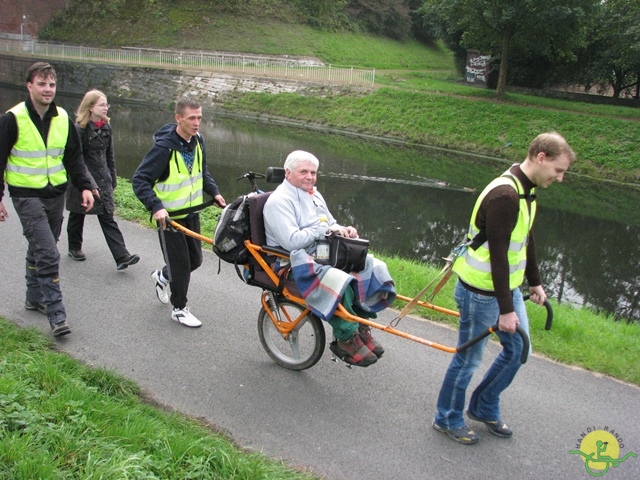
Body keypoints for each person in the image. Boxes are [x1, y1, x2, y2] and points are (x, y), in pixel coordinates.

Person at [432, 132, 576, 444]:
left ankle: (483, 406)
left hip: (504, 289)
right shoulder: (505, 196)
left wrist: (534, 281)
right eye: (558, 170)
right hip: (479, 293)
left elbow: (525, 238)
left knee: (518, 351)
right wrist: (507, 311)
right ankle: (446, 417)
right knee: (468, 359)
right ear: (541, 158)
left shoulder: (526, 190)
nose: (560, 178)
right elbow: (498, 255)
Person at [264, 150, 394, 367]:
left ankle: (360, 324)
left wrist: (343, 230)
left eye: (313, 173)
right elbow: (292, 242)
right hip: (290, 260)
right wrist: (320, 230)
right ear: (288, 173)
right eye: (303, 172)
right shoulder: (279, 201)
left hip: (320, 251)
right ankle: (346, 337)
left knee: (369, 264)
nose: (309, 177)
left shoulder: (313, 194)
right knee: (338, 279)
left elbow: (329, 222)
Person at [0, 61, 96, 337]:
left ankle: (34, 298)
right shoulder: (12, 119)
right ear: (29, 86)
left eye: (51, 84)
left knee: (42, 247)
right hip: (25, 195)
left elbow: (74, 158)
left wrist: (86, 186)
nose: (47, 89)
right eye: (41, 84)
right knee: (49, 252)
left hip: (56, 194)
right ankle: (56, 313)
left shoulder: (63, 118)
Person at [132, 96, 226, 328]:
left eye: (199, 118)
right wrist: (156, 207)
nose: (196, 123)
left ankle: (162, 277)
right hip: (170, 220)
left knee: (195, 260)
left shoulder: (198, 141)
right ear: (178, 118)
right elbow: (140, 180)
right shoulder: (164, 148)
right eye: (191, 118)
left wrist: (213, 192)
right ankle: (179, 308)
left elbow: (201, 172)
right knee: (181, 266)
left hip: (191, 214)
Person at [65, 89, 140, 270]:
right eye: (102, 105)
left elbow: (110, 156)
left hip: (103, 178)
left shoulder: (106, 127)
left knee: (107, 216)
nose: (106, 108)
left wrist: (112, 179)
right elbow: (77, 159)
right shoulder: (78, 129)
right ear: (90, 107)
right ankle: (74, 247)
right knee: (78, 213)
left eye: (107, 104)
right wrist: (88, 184)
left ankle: (122, 256)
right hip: (81, 180)